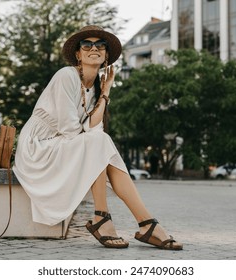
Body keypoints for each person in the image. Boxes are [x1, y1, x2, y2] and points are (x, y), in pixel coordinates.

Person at [13, 25, 182, 250]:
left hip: (62, 145)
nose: (94, 48)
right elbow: (72, 130)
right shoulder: (66, 75)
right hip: (38, 147)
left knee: (99, 142)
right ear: (78, 54)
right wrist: (91, 134)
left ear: (106, 56)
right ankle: (110, 219)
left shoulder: (94, 90)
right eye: (87, 45)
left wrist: (105, 92)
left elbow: (94, 129)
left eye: (100, 45)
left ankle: (144, 223)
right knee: (98, 142)